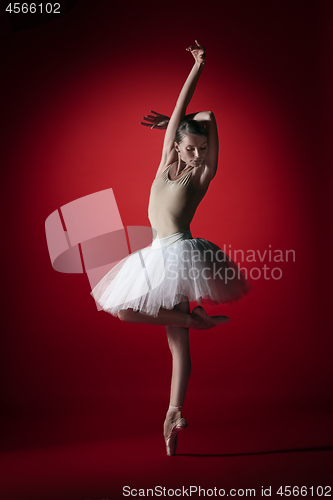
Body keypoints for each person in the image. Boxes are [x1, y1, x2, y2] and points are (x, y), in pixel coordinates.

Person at [90, 41, 253, 456]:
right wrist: (174, 120)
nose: (199, 155)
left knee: (167, 333)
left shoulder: (201, 176)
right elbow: (186, 112)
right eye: (192, 148)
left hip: (180, 252)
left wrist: (199, 67)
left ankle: (176, 401)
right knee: (158, 328)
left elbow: (209, 116)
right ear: (176, 145)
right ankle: (173, 416)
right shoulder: (166, 160)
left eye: (203, 150)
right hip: (157, 252)